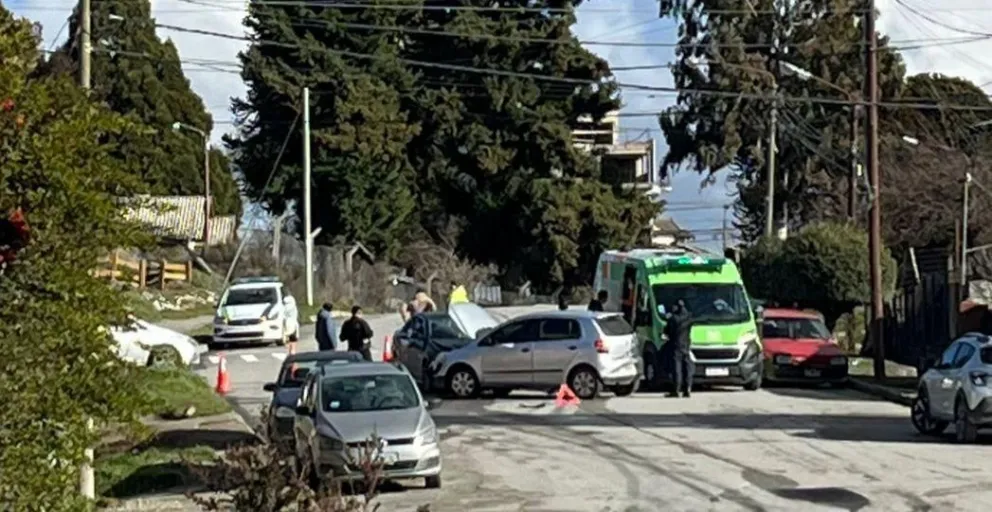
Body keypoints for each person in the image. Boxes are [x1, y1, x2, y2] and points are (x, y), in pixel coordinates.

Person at [665, 300, 694, 398]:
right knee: (687, 367)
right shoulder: (689, 318)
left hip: (676, 345)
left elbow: (667, 331)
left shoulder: (673, 318)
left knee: (677, 368)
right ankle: (688, 389)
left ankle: (676, 390)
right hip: (686, 345)